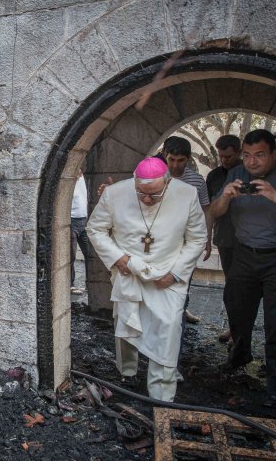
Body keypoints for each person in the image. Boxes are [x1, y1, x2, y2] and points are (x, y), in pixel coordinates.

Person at [209, 129, 276, 407]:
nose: (252, 162)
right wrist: (226, 196)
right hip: (245, 253)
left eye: (259, 155)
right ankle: (240, 353)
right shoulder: (237, 174)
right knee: (236, 307)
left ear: (274, 154)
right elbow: (215, 212)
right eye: (247, 155)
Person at [87, 157, 206, 401]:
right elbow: (95, 228)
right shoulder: (115, 194)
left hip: (168, 276)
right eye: (140, 192)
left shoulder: (188, 194)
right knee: (126, 323)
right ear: (134, 181)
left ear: (168, 182)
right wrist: (117, 257)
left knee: (169, 329)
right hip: (128, 271)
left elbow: (197, 238)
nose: (147, 199)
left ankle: (161, 394)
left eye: (155, 194)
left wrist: (175, 274)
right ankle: (127, 373)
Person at [162, 136, 213, 324]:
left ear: (189, 158)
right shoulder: (155, 176)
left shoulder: (197, 180)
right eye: (172, 160)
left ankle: (181, 311)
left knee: (183, 278)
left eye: (181, 160)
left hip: (186, 241)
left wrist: (207, 239)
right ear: (165, 155)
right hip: (159, 240)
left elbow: (206, 209)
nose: (175, 165)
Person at [205, 135, 243, 343]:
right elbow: (210, 209)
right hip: (226, 238)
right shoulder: (214, 176)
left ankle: (241, 329)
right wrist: (207, 238)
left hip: (249, 239)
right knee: (232, 286)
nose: (224, 161)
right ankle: (234, 327)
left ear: (238, 152)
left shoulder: (249, 173)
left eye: (228, 156)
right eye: (221, 156)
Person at [70, 171, 90, 295]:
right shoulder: (68, 180)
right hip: (71, 221)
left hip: (84, 221)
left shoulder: (83, 179)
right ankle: (70, 284)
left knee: (89, 253)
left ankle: (90, 283)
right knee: (70, 256)